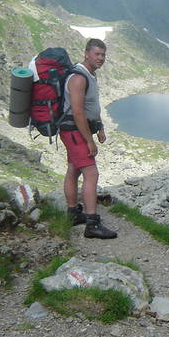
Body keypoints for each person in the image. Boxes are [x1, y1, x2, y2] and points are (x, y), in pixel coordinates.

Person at [59, 38, 117, 239]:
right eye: (97, 54)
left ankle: (73, 213)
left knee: (74, 169)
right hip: (75, 131)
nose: (100, 58)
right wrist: (89, 141)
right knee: (91, 174)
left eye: (103, 55)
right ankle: (92, 224)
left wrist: (99, 127)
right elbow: (77, 112)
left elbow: (91, 105)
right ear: (86, 53)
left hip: (77, 131)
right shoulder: (79, 77)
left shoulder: (89, 75)